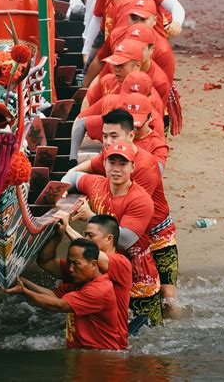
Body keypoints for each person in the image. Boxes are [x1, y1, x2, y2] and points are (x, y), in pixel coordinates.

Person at [69, 109, 179, 316]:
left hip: (152, 233)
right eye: (105, 136)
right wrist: (64, 180)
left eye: (114, 136)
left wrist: (89, 216)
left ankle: (175, 325)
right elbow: (76, 174)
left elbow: (126, 234)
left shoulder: (143, 174)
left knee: (166, 294)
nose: (108, 142)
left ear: (131, 136)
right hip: (122, 233)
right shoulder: (110, 155)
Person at [62, 142, 163, 326]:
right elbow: (73, 177)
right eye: (112, 163)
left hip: (139, 278)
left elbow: (124, 239)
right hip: (106, 270)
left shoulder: (140, 200)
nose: (116, 169)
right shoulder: (96, 184)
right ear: (104, 165)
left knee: (148, 340)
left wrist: (90, 217)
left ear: (133, 167)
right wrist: (61, 191)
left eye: (122, 164)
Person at [3, 238, 120, 350]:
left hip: (100, 359)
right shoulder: (81, 282)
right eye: (69, 263)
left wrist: (24, 292)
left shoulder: (99, 290)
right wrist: (23, 282)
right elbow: (53, 296)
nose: (70, 269)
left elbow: (58, 305)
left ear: (93, 264)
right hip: (85, 354)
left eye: (76, 263)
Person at [37, 212, 132, 348]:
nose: (86, 238)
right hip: (82, 348)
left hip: (110, 349)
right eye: (85, 234)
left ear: (109, 239)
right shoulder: (78, 268)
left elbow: (94, 254)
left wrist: (67, 228)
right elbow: (45, 261)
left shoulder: (121, 263)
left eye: (90, 236)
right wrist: (58, 235)